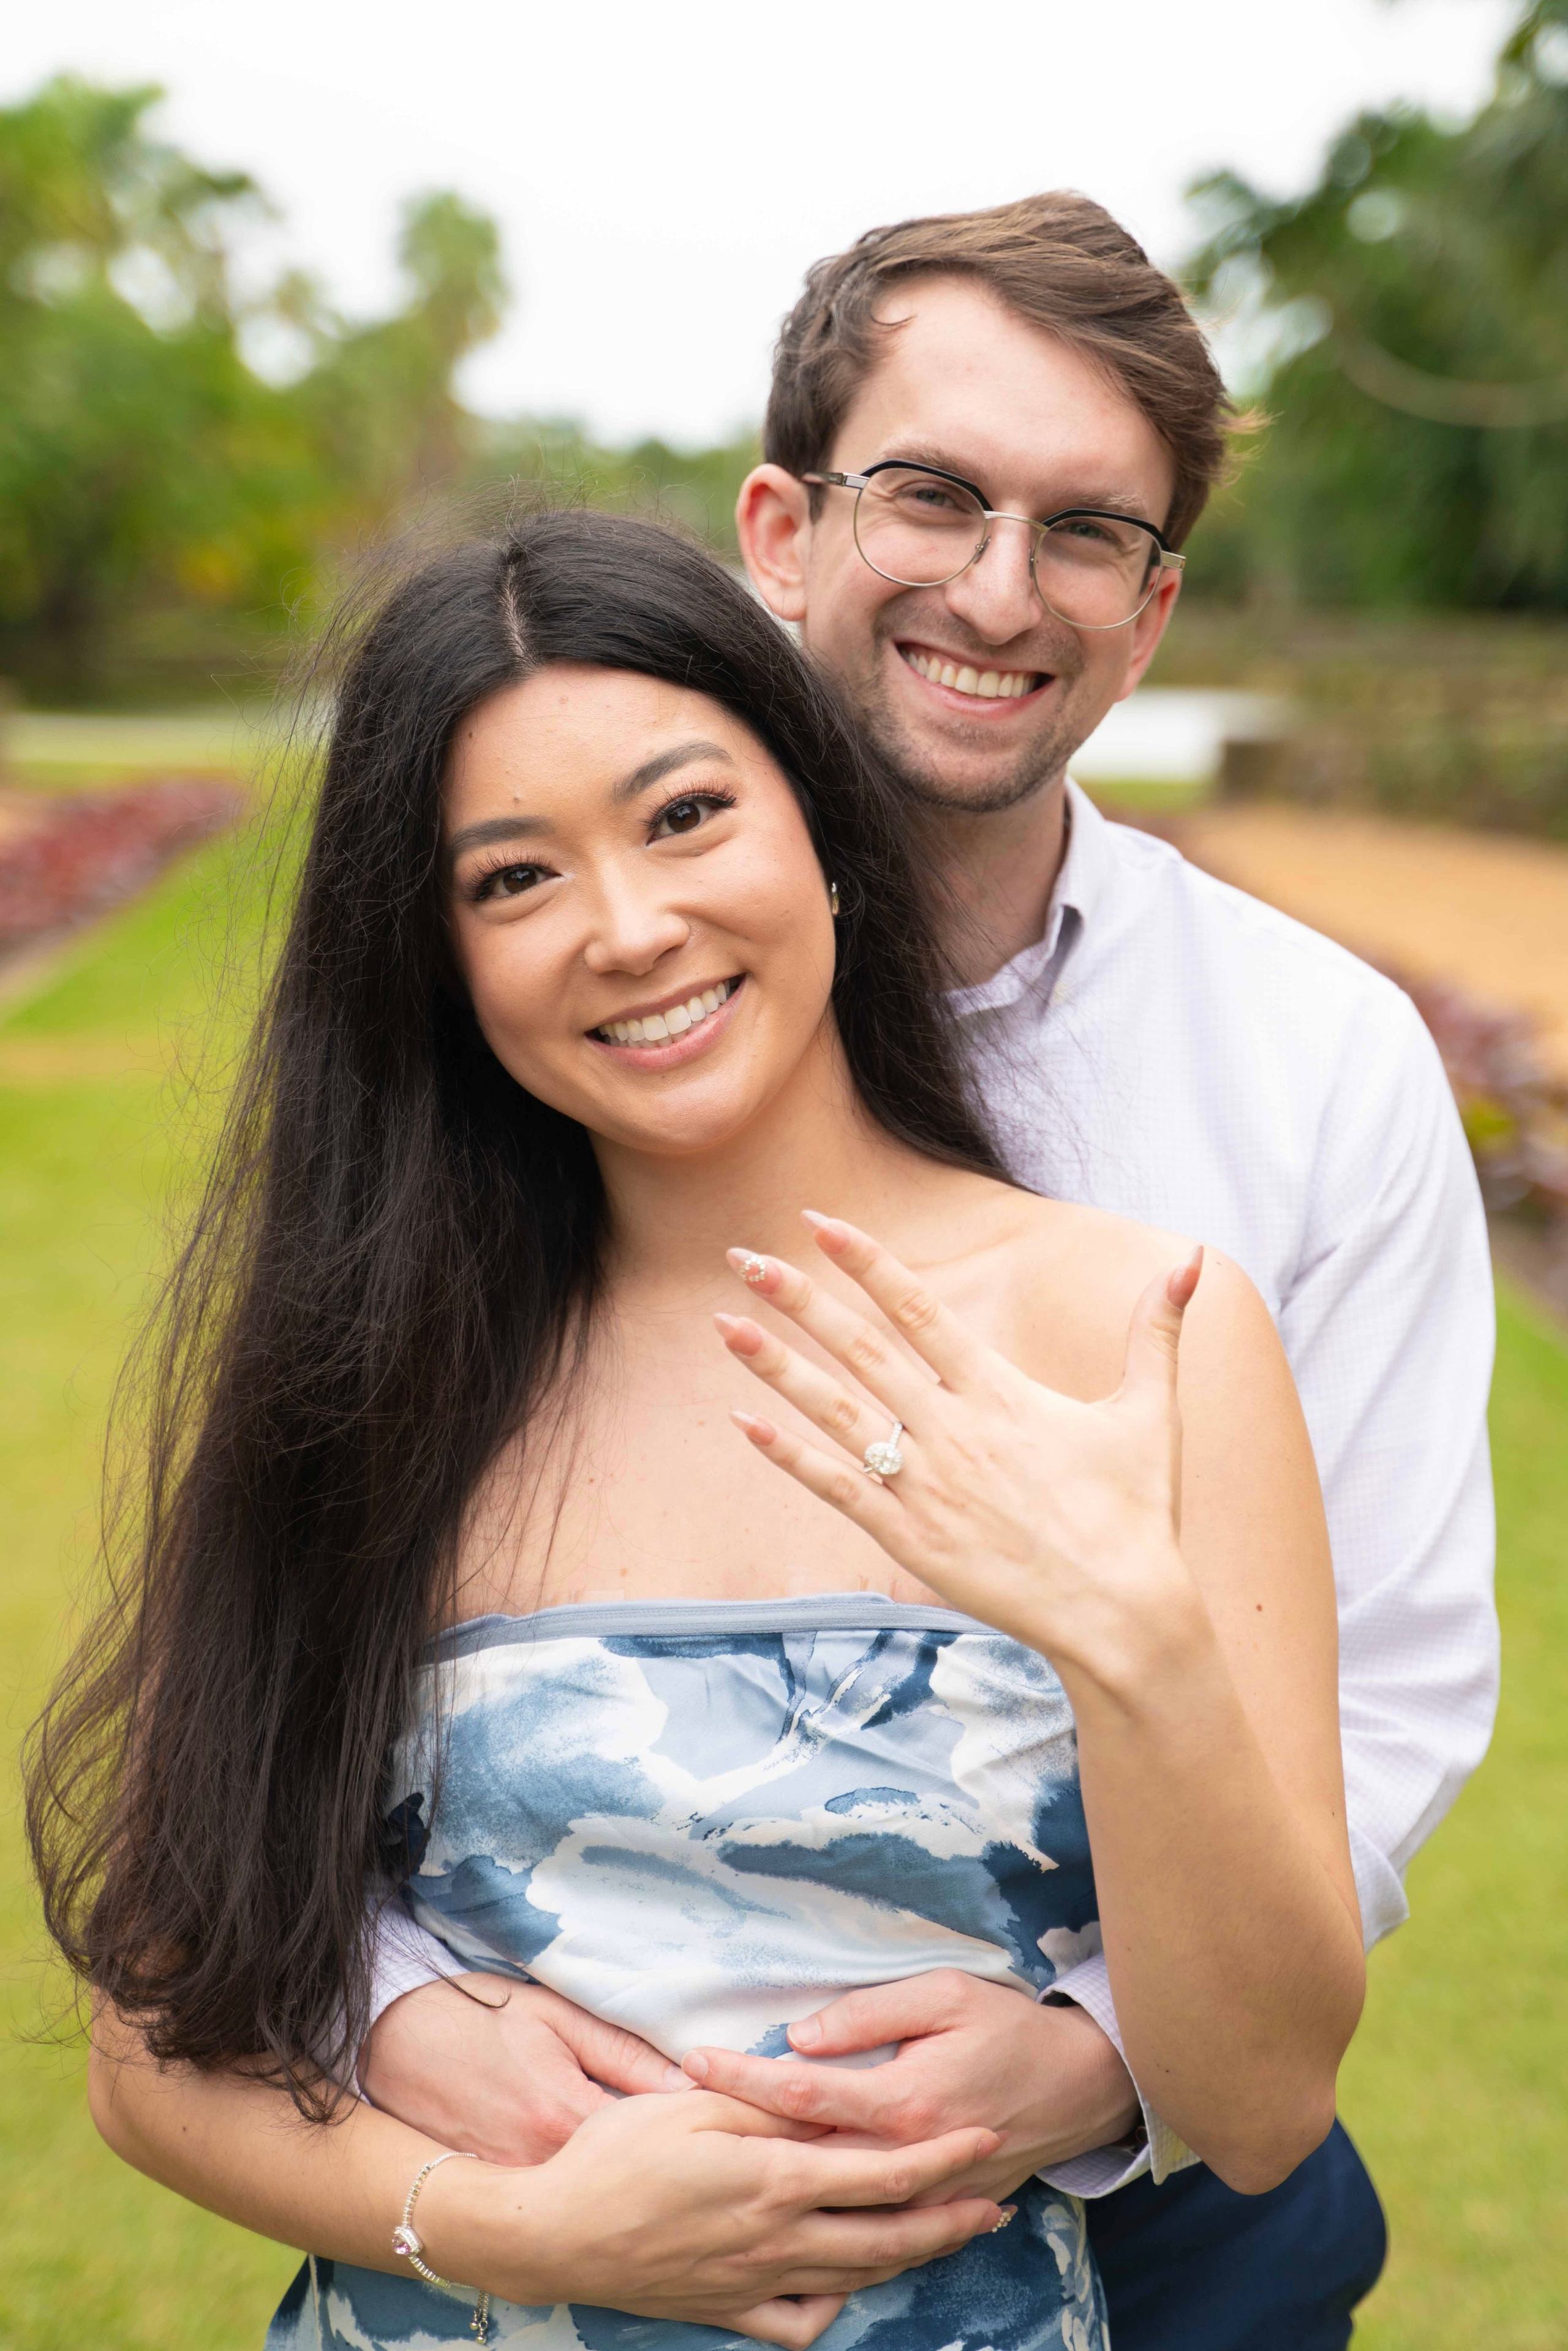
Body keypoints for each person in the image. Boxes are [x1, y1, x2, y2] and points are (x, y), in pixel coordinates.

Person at [352, 197, 1499, 2347]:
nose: (998, 587)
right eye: (935, 495)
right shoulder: (541, 1015)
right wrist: (409, 2016)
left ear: (1153, 617)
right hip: (561, 2160)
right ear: (781, 528)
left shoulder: (1318, 1066)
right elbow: (302, 1652)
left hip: (1158, 2220)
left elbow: (1390, 1691)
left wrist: (1094, 2053)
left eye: (1086, 533)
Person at [35, 511, 1366, 2350]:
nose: (629, 927)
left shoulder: (1148, 1336)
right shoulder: (372, 1371)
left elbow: (1262, 2097)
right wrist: (510, 2231)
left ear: (822, 832)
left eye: (684, 817)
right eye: (512, 881)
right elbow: (153, 2048)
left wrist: (1129, 1633)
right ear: (442, 960)